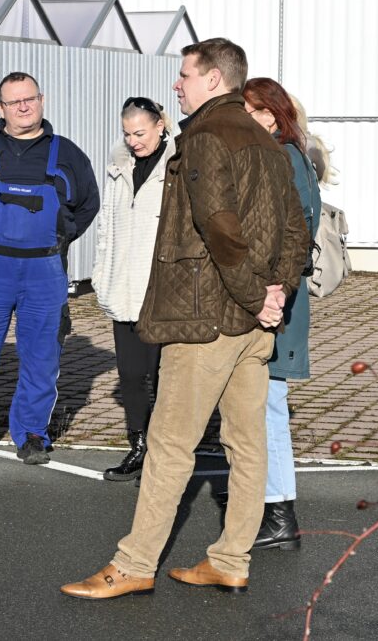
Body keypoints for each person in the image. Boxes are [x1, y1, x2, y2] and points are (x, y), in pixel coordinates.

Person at [61, 38, 310, 600]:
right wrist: (276, 292)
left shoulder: (204, 137)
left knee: (170, 442)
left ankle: (134, 564)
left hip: (206, 320)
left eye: (185, 75)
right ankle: (231, 559)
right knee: (247, 443)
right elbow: (297, 230)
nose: (177, 85)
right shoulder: (269, 143)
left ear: (214, 80)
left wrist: (258, 295)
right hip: (251, 324)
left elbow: (219, 228)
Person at [0, 72, 99, 466]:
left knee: (42, 357)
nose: (24, 107)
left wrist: (60, 237)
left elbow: (88, 205)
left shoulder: (69, 154)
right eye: (14, 102)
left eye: (30, 99)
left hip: (44, 270)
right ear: (1, 108)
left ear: (41, 100)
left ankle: (31, 434)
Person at [242, 78, 321, 550]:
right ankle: (271, 505)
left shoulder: (284, 158)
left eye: (249, 111)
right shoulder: (290, 155)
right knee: (264, 405)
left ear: (270, 115)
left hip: (278, 302)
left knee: (269, 407)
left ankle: (278, 514)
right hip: (281, 299)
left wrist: (267, 294)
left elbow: (289, 239)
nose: (242, 119)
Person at [92, 97, 175, 482]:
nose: (133, 141)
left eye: (140, 133)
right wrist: (101, 273)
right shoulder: (119, 165)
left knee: (161, 376)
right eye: (127, 134)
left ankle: (163, 453)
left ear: (160, 126)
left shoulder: (177, 164)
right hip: (124, 287)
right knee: (129, 374)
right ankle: (138, 445)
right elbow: (106, 224)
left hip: (161, 289)